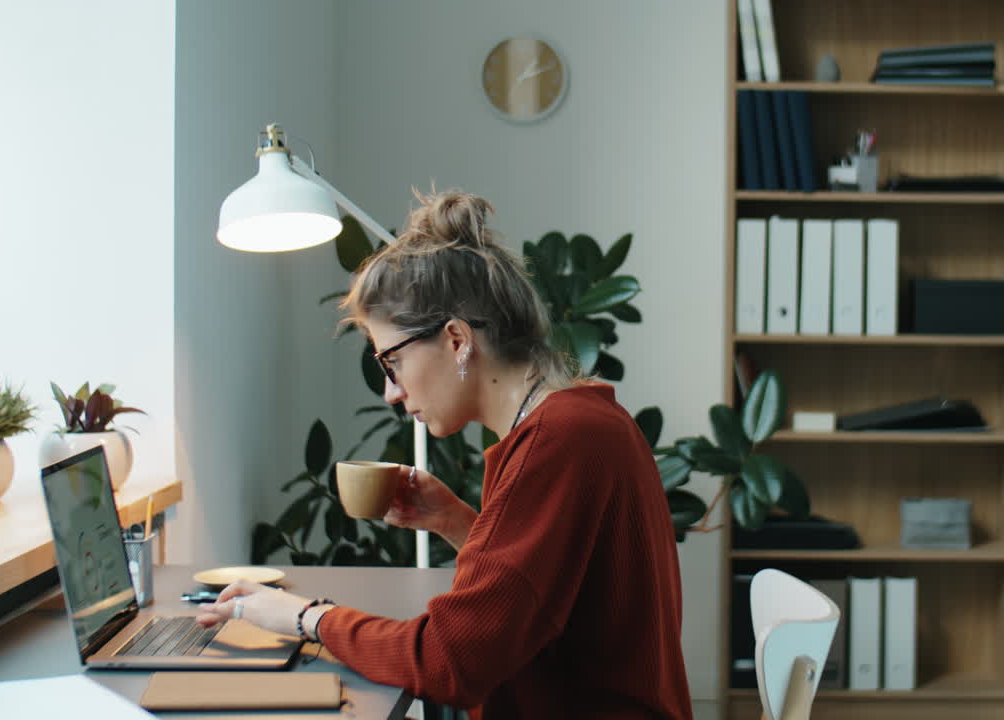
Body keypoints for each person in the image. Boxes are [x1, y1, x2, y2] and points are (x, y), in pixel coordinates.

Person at [197, 189, 693, 719]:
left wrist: (304, 617)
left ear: (457, 340)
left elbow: (448, 661)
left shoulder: (558, 442)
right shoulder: (581, 420)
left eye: (391, 362)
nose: (390, 392)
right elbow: (541, 599)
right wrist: (456, 522)